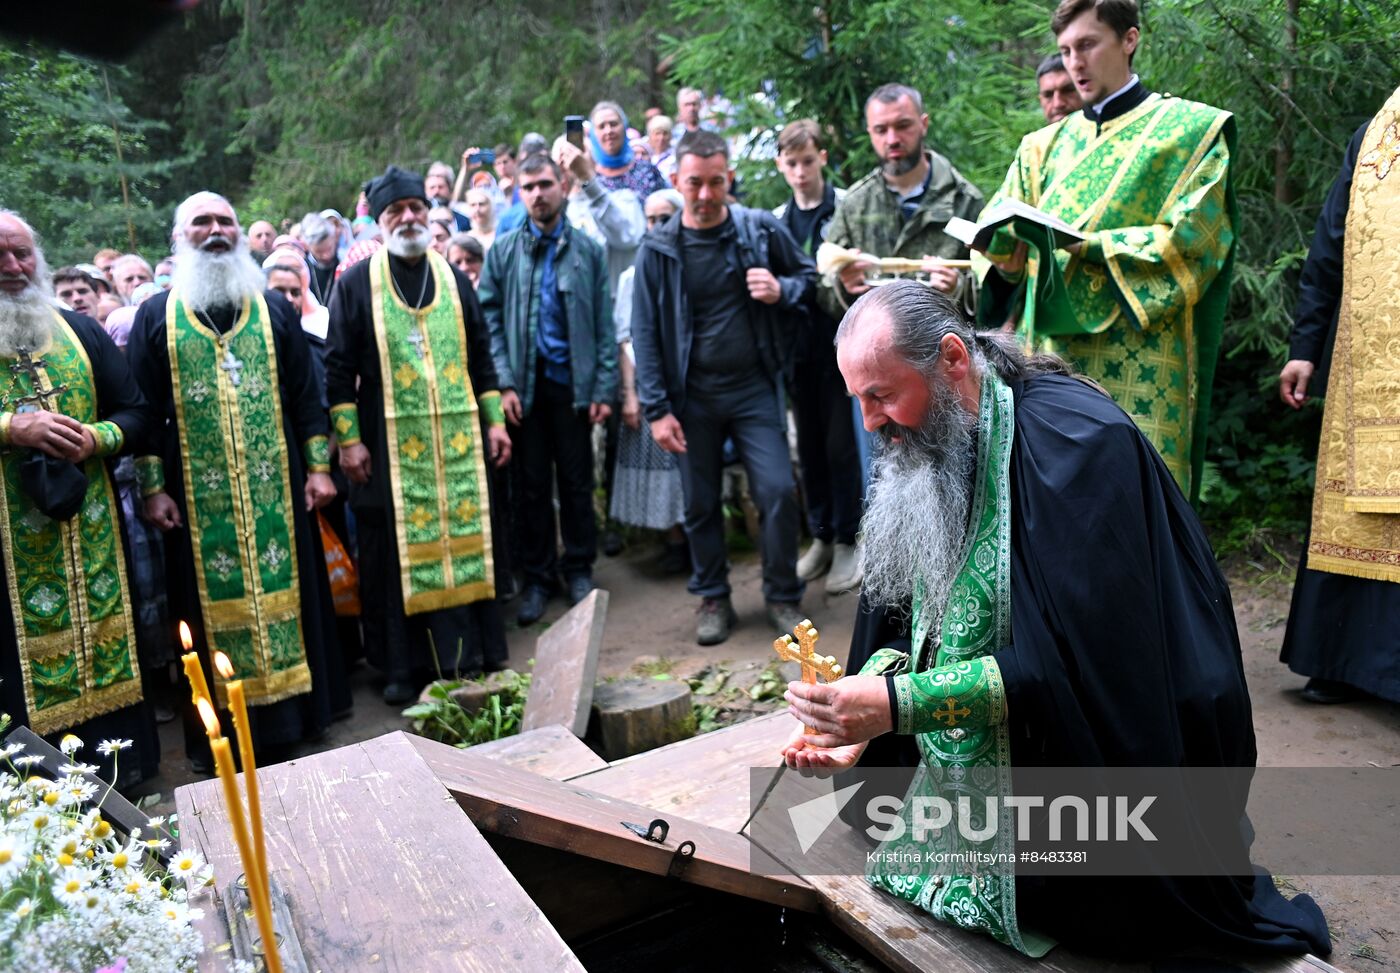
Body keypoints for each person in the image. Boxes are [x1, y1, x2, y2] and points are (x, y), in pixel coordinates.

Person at [782, 280, 1332, 959]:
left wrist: (898, 705)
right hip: (986, 752)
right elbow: (907, 620)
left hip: (1094, 749)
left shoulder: (1076, 448)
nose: (870, 423)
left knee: (1096, 894)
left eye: (883, 396)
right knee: (871, 805)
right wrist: (859, 716)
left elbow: (1085, 674)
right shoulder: (928, 445)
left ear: (953, 359)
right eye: (858, 399)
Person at [973, 0, 1236, 502]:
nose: (1075, 62)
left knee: (1140, 500)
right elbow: (1001, 251)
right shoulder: (1039, 148)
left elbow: (1193, 244)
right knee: (1058, 502)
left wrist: (1085, 245)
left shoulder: (1189, 132)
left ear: (1129, 39)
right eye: (1066, 50)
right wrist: (1000, 258)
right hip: (1051, 355)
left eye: (1088, 45)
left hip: (1145, 352)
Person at [128, 191, 350, 768]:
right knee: (202, 616)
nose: (217, 230)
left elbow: (307, 396)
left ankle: (302, 719)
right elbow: (144, 412)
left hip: (278, 484)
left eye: (225, 220)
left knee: (296, 600)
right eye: (201, 221)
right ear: (180, 238)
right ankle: (220, 734)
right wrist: (153, 487)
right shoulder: (159, 314)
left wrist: (320, 470)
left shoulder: (272, 309)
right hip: (197, 502)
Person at [325, 166, 512, 704]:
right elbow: (337, 368)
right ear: (380, 223)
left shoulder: (452, 275)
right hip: (386, 447)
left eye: (414, 208)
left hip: (457, 442)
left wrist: (495, 421)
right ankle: (403, 669)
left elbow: (482, 354)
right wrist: (350, 440)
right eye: (395, 212)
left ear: (427, 213)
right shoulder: (356, 282)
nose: (408, 218)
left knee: (465, 542)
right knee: (391, 553)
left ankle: (471, 656)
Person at [631, 130, 816, 645]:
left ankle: (782, 596)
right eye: (695, 183)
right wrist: (657, 410)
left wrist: (781, 290)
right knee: (699, 502)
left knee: (778, 491)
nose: (707, 195)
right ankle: (713, 596)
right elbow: (644, 334)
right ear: (677, 181)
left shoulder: (757, 230)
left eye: (717, 182)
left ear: (728, 178)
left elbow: (808, 278)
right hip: (692, 399)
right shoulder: (658, 249)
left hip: (755, 388)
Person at [0, 210, 158, 786]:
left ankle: (126, 774)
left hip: (93, 539)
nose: (14, 267)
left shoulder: (81, 331)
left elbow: (138, 414)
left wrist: (95, 437)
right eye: (1, 256)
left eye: (22, 253)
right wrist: (11, 431)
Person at [1277, 87, 1400, 707]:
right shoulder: (1375, 132)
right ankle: (1343, 659)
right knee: (1355, 507)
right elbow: (1331, 243)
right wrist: (1305, 344)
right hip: (1368, 362)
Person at [478, 153, 616, 625]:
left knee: (577, 484)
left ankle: (579, 567)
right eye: (528, 187)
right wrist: (504, 384)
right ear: (518, 192)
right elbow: (490, 321)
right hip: (525, 393)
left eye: (544, 184)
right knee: (531, 487)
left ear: (562, 185)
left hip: (573, 389)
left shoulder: (589, 252)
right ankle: (537, 578)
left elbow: (603, 322)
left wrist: (602, 386)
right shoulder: (504, 251)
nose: (537, 194)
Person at [773, 119, 863, 595]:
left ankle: (850, 536)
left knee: (840, 445)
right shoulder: (777, 218)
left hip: (841, 348)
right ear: (780, 166)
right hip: (798, 353)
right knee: (807, 447)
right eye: (792, 163)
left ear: (822, 158)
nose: (801, 171)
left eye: (809, 161)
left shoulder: (845, 207)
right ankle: (822, 534)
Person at [817, 84, 984, 321]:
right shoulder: (854, 204)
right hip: (877, 350)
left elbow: (995, 287)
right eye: (881, 130)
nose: (892, 139)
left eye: (903, 126)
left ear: (923, 124)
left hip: (944, 348)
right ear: (870, 133)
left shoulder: (965, 200)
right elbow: (822, 293)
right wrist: (843, 283)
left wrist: (958, 289)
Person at [611, 190, 688, 572]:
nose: (657, 226)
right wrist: (631, 393)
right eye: (651, 218)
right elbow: (626, 338)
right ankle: (674, 542)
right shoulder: (631, 274)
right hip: (651, 385)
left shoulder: (691, 261)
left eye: (665, 217)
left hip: (690, 385)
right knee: (661, 464)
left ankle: (698, 541)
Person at [589, 100, 669, 201]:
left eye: (613, 124)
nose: (608, 131)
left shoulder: (647, 171)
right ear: (593, 133)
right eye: (601, 126)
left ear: (624, 126)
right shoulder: (590, 179)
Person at [1035, 52, 1081, 123]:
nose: (1058, 104)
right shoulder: (1037, 134)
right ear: (1040, 100)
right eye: (1048, 95)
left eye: (1068, 90)